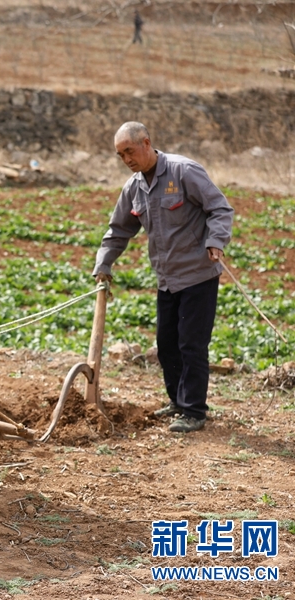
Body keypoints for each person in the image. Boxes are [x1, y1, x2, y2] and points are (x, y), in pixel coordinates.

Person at [93, 122, 234, 433]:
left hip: (198, 274)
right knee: (167, 344)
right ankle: (178, 402)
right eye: (120, 155)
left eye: (130, 151)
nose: (126, 159)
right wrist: (104, 264)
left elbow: (220, 209)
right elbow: (118, 230)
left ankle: (194, 410)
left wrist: (215, 241)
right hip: (167, 279)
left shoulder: (184, 171)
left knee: (191, 344)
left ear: (146, 143)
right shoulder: (133, 187)